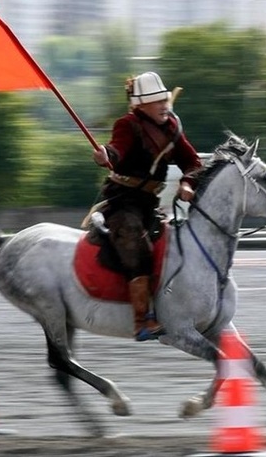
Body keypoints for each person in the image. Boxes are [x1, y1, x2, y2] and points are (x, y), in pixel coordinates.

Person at [92, 71, 203, 341]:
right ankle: (143, 321)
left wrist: (187, 183)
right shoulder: (127, 125)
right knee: (137, 248)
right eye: (156, 101)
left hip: (150, 203)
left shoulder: (172, 126)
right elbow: (117, 151)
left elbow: (193, 162)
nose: (164, 105)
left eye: (164, 99)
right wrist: (104, 155)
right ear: (140, 105)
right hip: (122, 202)